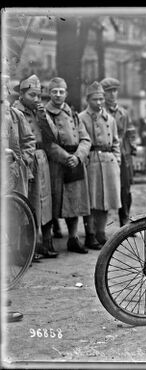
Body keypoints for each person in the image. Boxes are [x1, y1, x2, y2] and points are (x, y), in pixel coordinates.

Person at [1, 74, 36, 322]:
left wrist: (23, 159)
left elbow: (28, 141)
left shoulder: (14, 115)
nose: (7, 91)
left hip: (12, 178)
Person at [12, 75, 58, 258]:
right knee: (26, 202)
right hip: (25, 160)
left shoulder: (40, 111)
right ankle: (23, 249)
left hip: (41, 158)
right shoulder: (16, 111)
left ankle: (40, 244)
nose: (37, 99)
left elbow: (54, 136)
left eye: (39, 95)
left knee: (42, 202)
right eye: (32, 95)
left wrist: (43, 117)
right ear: (22, 94)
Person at [45, 77, 91, 254]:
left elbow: (85, 138)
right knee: (53, 201)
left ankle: (73, 238)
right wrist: (66, 157)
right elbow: (47, 142)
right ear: (49, 93)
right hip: (57, 164)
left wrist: (78, 156)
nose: (58, 95)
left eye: (61, 91)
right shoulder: (45, 114)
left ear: (66, 93)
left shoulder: (72, 113)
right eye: (54, 91)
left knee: (74, 201)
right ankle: (47, 240)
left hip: (75, 163)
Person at [79, 82, 121, 249]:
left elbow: (116, 142)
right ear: (88, 99)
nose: (99, 102)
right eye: (95, 99)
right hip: (92, 160)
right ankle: (90, 235)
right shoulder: (81, 117)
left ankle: (101, 233)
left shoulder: (110, 119)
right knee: (91, 200)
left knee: (106, 200)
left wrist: (117, 160)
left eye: (101, 99)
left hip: (109, 162)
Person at [100, 77, 136, 227]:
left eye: (115, 91)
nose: (112, 94)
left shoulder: (124, 113)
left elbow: (130, 132)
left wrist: (132, 149)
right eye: (109, 92)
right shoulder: (101, 111)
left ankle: (125, 218)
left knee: (125, 189)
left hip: (124, 153)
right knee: (106, 186)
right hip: (107, 153)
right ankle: (102, 223)